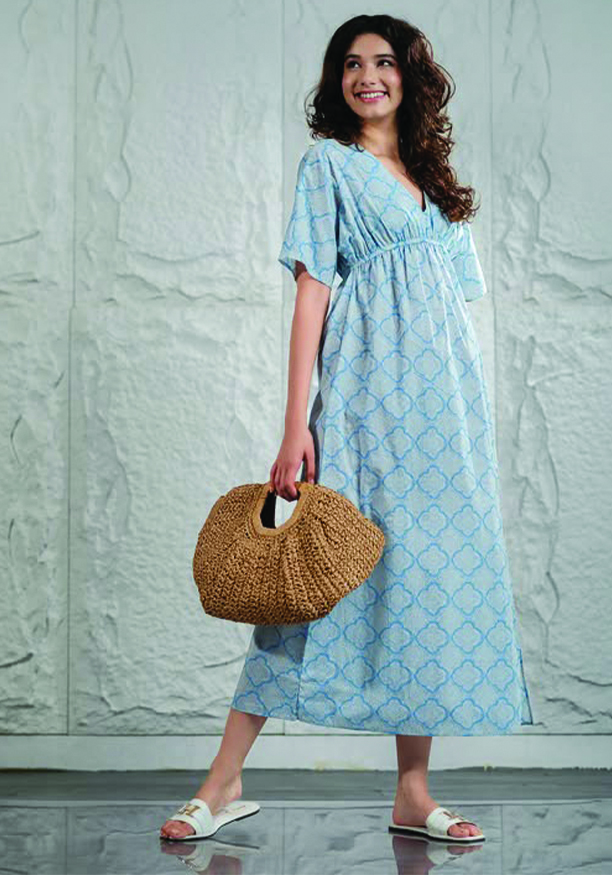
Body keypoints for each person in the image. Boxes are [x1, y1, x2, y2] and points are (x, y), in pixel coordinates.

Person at [161, 13, 534, 844]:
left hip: (447, 416)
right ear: (337, 80)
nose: (369, 76)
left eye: (385, 62)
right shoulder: (329, 164)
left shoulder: (434, 179)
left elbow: (452, 304)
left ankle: (413, 790)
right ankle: (223, 780)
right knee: (309, 581)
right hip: (368, 405)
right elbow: (312, 294)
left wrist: (471, 418)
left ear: (410, 76)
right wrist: (296, 423)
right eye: (353, 64)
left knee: (426, 587)